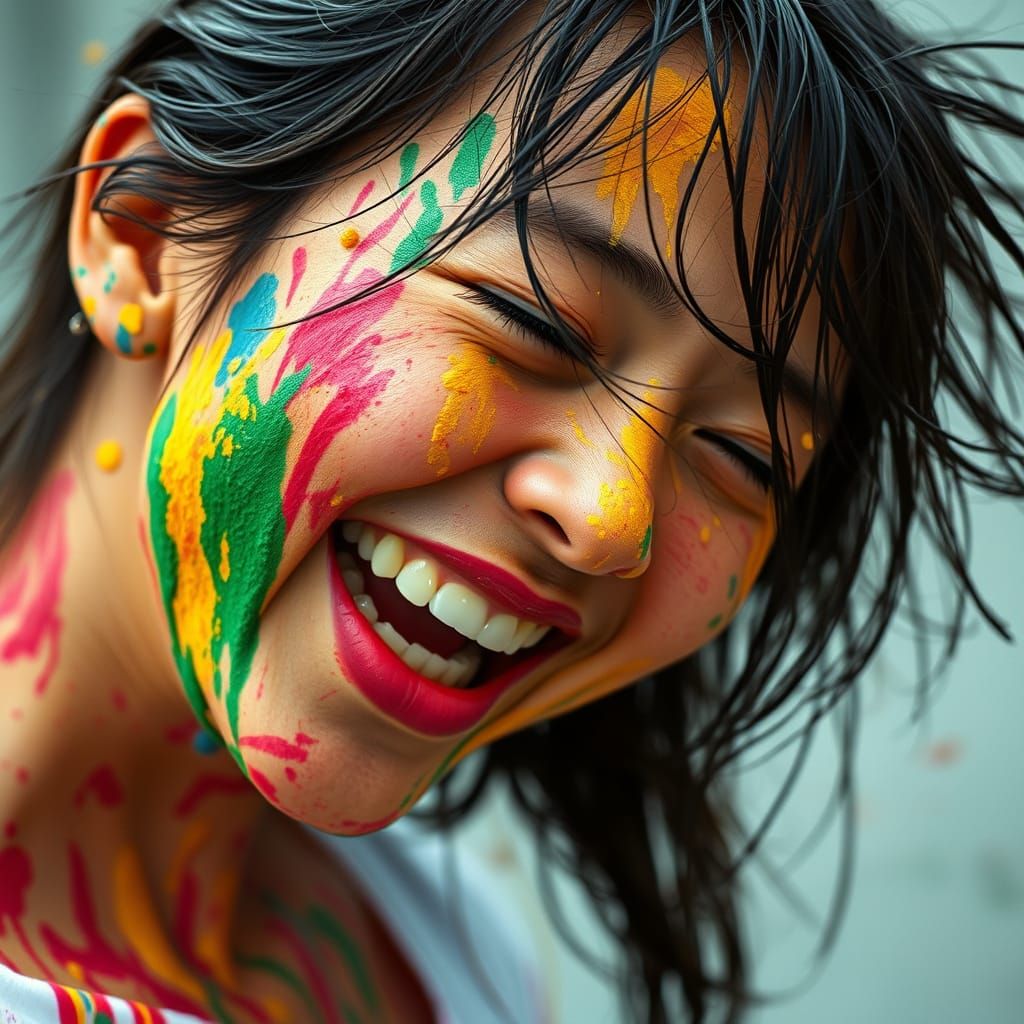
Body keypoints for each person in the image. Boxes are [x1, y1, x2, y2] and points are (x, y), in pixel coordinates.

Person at [0, 0, 1021, 1021]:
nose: (613, 515)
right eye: (532, 319)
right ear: (144, 225)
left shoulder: (464, 959)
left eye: (741, 457)